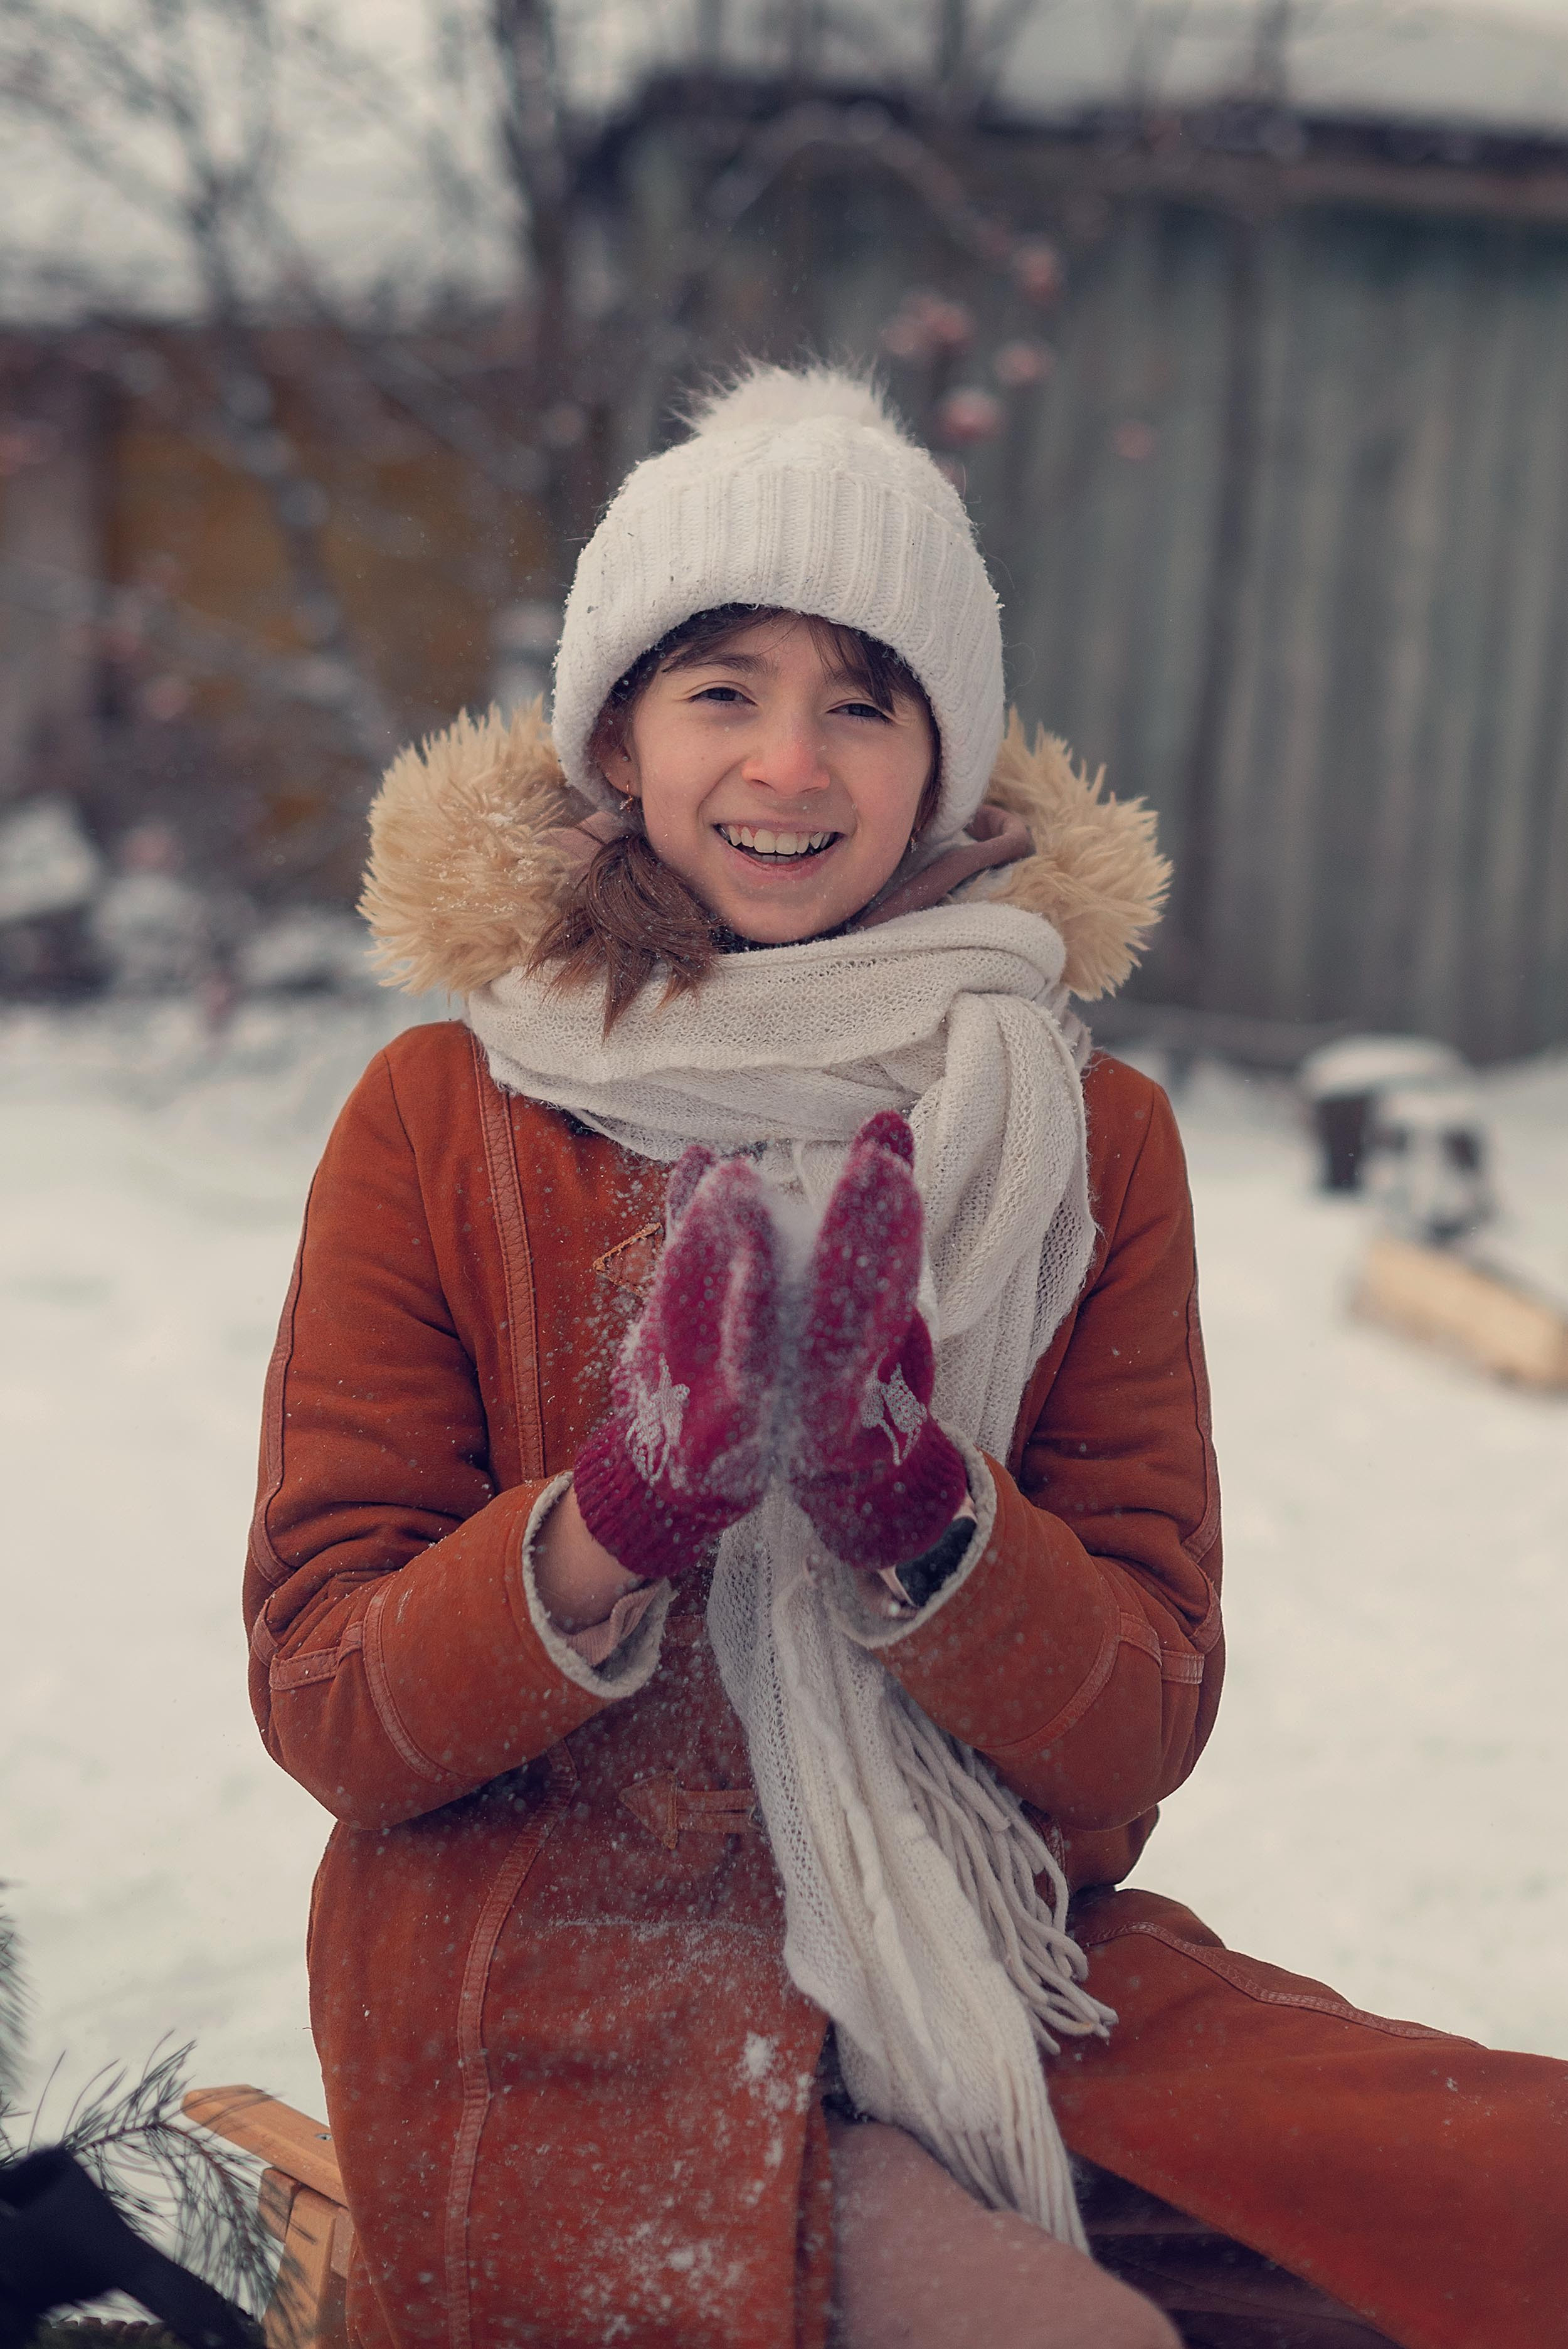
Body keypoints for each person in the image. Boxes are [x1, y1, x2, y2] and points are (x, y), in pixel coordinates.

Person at [245, 367, 1566, 2349]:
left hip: (989, 1956)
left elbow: (1132, 1728)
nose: (790, 762)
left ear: (938, 753)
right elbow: (328, 1699)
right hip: (566, 1994)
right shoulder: (444, 1115)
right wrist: (618, 1515)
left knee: (1511, 2214)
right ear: (616, 730)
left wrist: (919, 1512)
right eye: (723, 689)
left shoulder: (1080, 1136)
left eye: (860, 699)